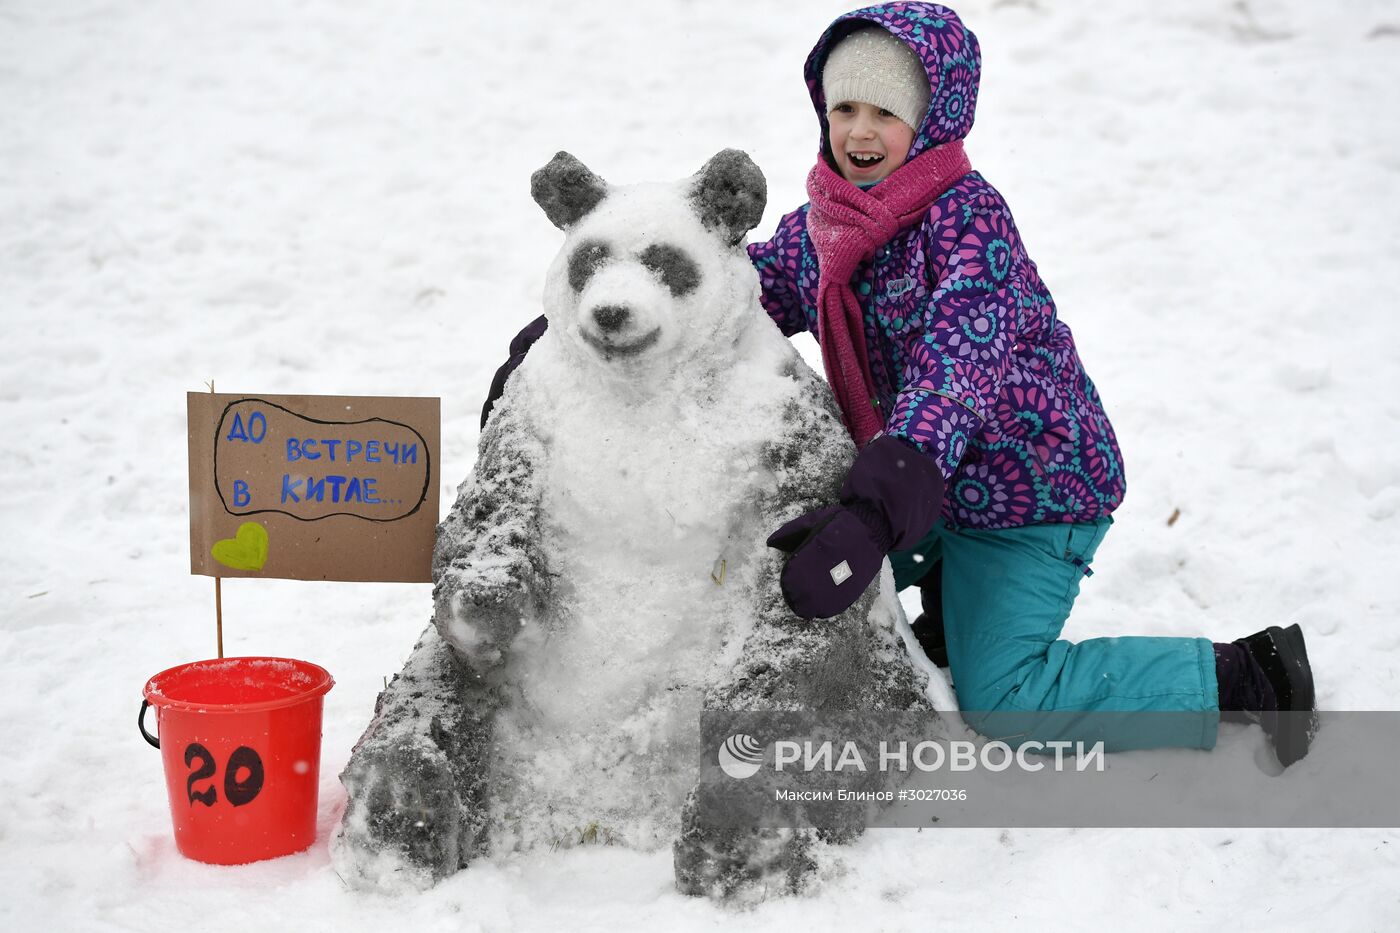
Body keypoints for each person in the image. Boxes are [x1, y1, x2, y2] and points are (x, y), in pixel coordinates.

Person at [481, 4, 1316, 766]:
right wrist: (578, 332)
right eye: (845, 109)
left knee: (1007, 702)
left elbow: (952, 376)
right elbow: (741, 292)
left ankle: (1243, 674)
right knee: (787, 532)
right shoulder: (833, 221)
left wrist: (877, 511)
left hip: (1030, 498)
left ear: (933, 118)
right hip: (932, 484)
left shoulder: (968, 224)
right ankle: (951, 598)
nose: (861, 130)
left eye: (886, 111)